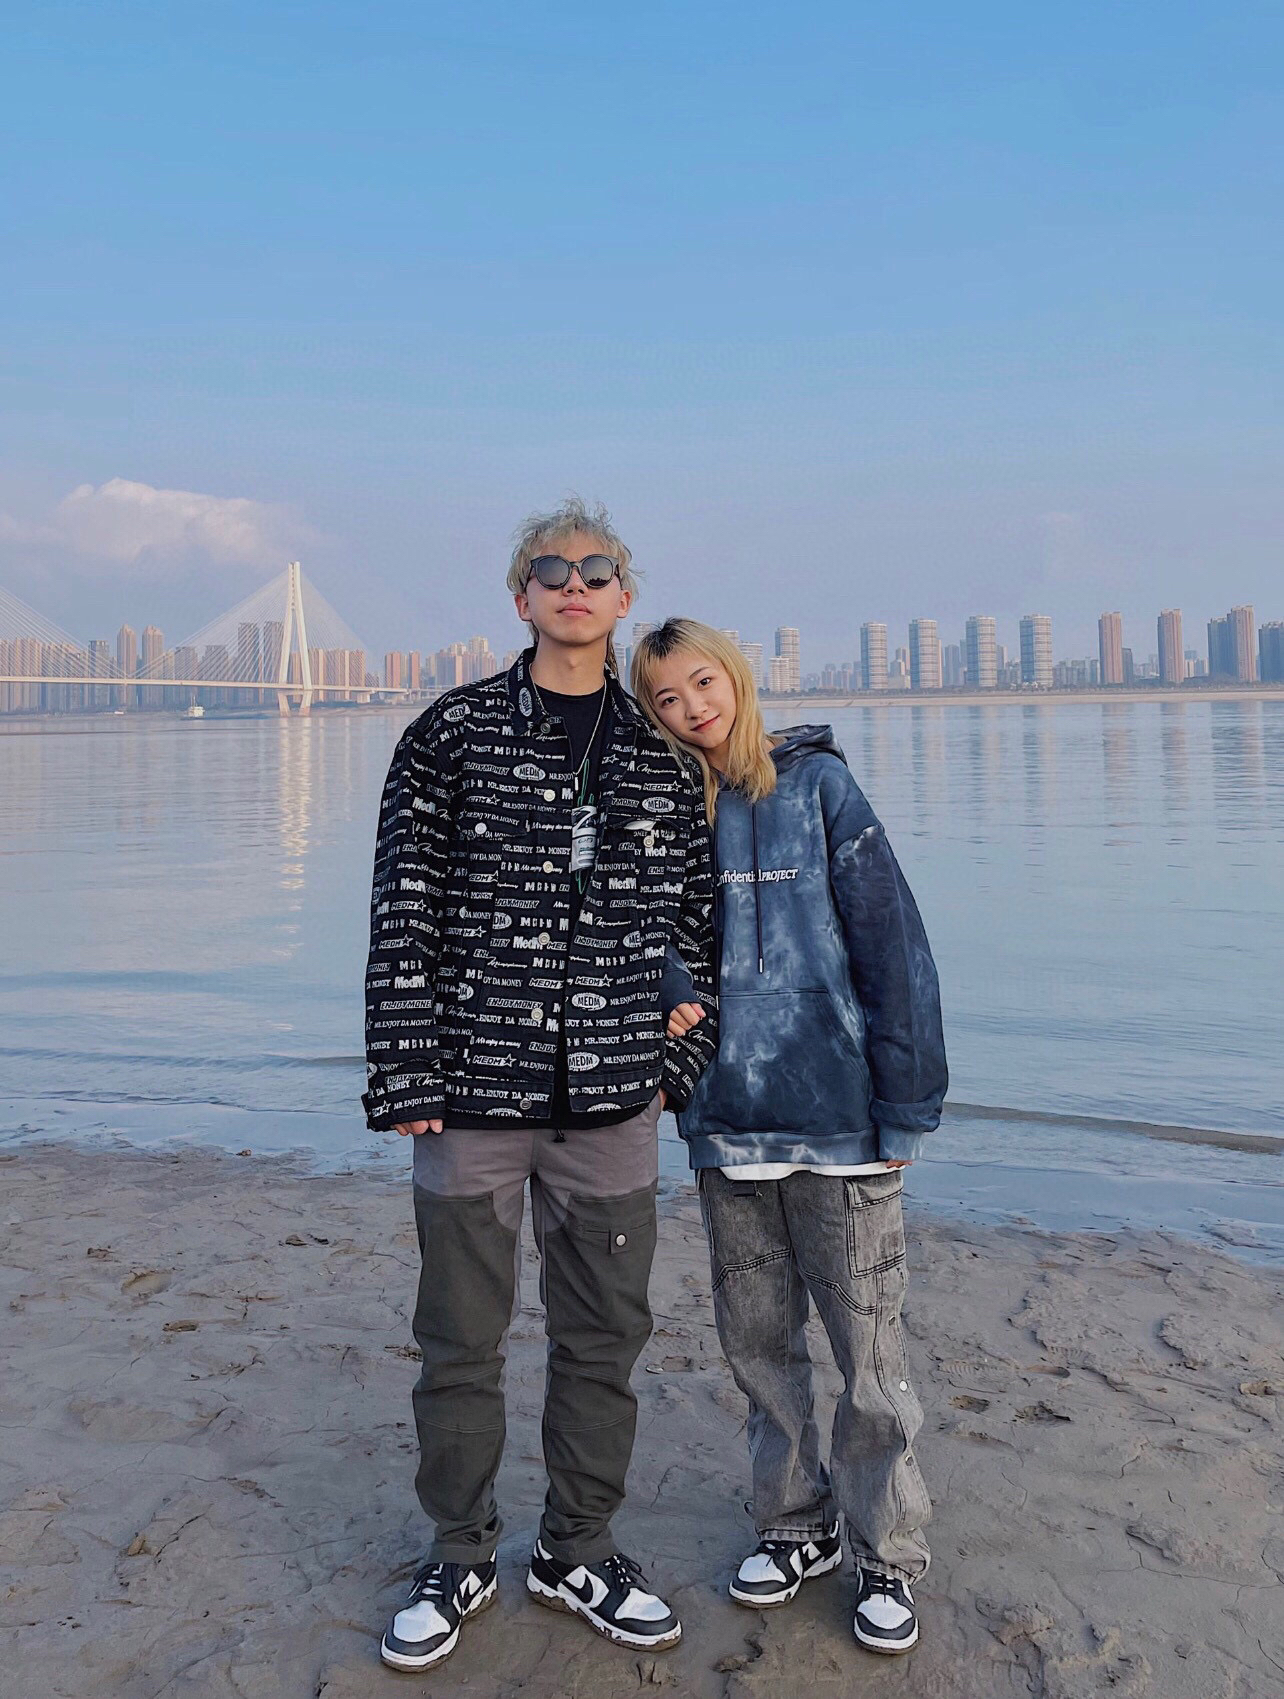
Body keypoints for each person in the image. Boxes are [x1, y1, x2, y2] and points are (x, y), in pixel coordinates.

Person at [363, 505, 718, 1672]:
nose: (575, 583)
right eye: (551, 570)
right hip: (470, 1086)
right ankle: (458, 1551)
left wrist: (672, 1068)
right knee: (459, 1337)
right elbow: (404, 905)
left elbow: (698, 925)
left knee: (604, 1335)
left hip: (613, 1099)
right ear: (520, 597)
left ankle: (578, 1548)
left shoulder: (663, 756)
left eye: (596, 569)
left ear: (623, 598)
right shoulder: (449, 735)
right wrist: (406, 1065)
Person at [632, 618, 947, 1657]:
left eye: (702, 683)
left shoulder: (821, 789)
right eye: (666, 699)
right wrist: (667, 992)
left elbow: (893, 946)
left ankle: (887, 1552)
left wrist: (905, 1103)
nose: (691, 709)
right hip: (729, 1130)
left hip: (839, 1124)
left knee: (869, 1359)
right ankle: (794, 1526)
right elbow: (642, 928)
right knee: (760, 1351)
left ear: (734, 676)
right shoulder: (673, 810)